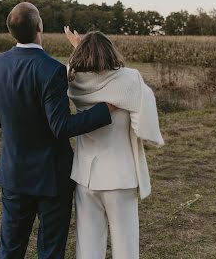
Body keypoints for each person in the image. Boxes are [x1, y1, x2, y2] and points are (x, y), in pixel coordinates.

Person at [0, 3, 115, 259]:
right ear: (40, 27)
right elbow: (61, 127)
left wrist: (17, 124)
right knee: (50, 249)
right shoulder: (51, 69)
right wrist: (104, 110)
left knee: (10, 246)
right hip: (51, 176)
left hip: (13, 172)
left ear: (11, 31)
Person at [64, 27, 164, 259]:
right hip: (120, 176)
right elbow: (142, 126)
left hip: (85, 177)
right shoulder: (130, 80)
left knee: (88, 248)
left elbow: (72, 68)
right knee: (126, 247)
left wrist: (78, 47)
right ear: (111, 52)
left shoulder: (74, 81)